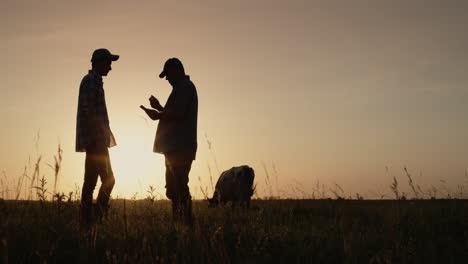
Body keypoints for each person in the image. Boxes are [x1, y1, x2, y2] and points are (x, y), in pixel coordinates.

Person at [141, 58, 198, 225]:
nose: (167, 79)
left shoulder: (185, 87)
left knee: (179, 187)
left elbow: (177, 115)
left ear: (177, 71)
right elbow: (173, 114)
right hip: (174, 147)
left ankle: (186, 224)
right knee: (173, 189)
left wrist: (157, 115)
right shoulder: (181, 88)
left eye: (168, 74)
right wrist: (159, 107)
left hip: (180, 147)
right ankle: (179, 224)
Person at [76, 48, 119, 228]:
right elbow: (89, 111)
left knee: (90, 182)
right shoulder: (90, 82)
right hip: (96, 141)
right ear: (99, 62)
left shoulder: (95, 82)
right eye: (108, 62)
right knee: (109, 180)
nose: (110, 67)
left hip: (95, 140)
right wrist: (99, 141)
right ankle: (96, 216)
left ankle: (86, 221)